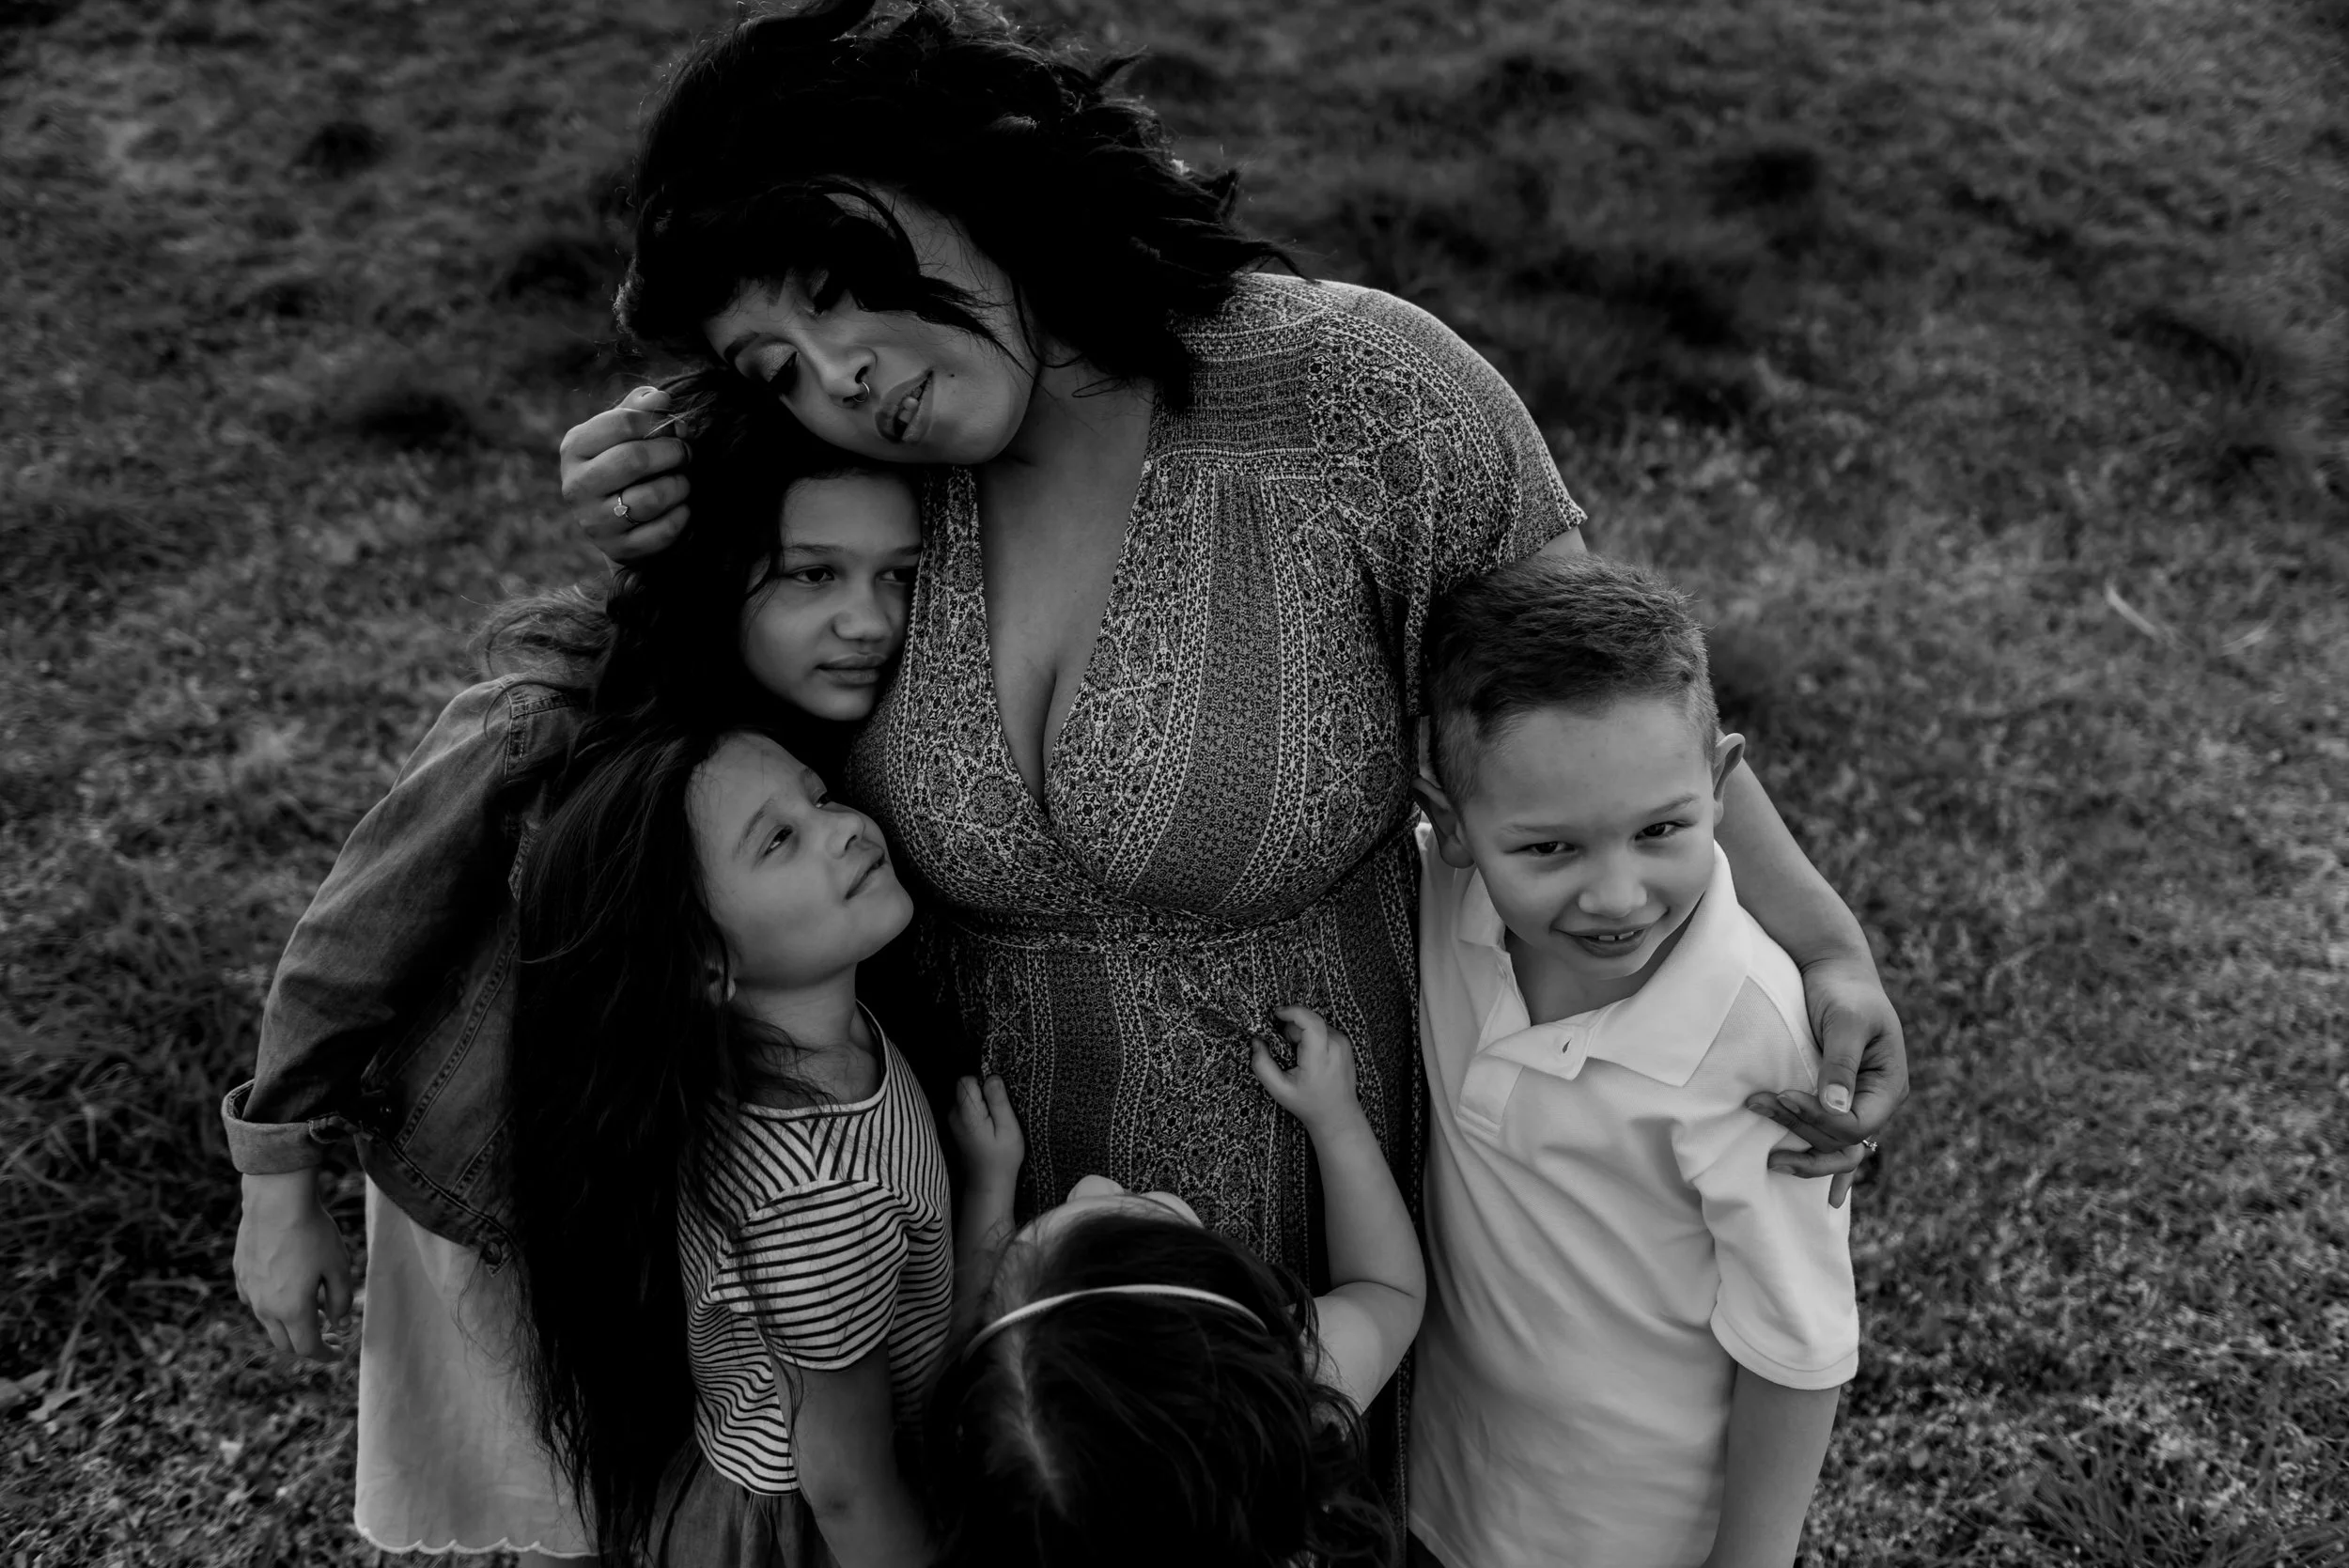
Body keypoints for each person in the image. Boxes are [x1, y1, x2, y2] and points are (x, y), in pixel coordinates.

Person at [559, 0, 1905, 1490]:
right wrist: (663, 524)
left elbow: (1606, 700)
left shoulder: (1361, 398)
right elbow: (671, 757)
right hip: (979, 1238)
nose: (840, 376)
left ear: (965, 173)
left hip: (1323, 1192)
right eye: (772, 363)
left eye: (836, 285)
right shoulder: (836, 500)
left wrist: (1823, 940)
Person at [222, 373, 924, 1562]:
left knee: (635, 1471)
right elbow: (347, 944)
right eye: (813, 573)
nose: (871, 619)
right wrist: (277, 1183)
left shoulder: (831, 736)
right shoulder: (542, 724)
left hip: (677, 1207)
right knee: (530, 1479)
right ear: (712, 567)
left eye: (898, 574)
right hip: (504, 1196)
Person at [1407, 553, 1859, 1568]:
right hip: (1446, 1479)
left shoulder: (1756, 1040)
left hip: (1632, 1530)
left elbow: (1795, 1344)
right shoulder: (1440, 903)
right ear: (1452, 825)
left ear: (1722, 786)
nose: (1616, 896)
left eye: (1660, 830)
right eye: (1550, 850)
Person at [508, 722, 999, 1567]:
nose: (842, 825)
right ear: (706, 965)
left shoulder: (818, 1042)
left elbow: (904, 1318)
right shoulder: (815, 1195)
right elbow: (850, 1485)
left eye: (818, 797)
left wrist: (987, 1185)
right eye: (780, 838)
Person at [928, 1003, 1423, 1568]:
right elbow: (1388, 1288)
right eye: (1124, 1207)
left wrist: (989, 1188)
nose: (1089, 1183)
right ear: (1240, 1299)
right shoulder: (1286, 1397)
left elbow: (992, 1347)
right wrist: (1336, 1119)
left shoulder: (1012, 1499)